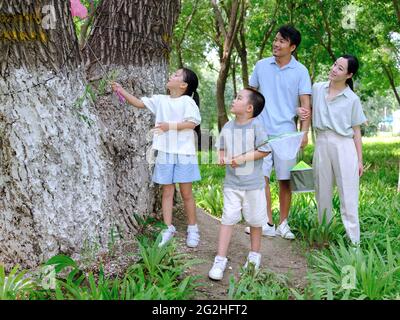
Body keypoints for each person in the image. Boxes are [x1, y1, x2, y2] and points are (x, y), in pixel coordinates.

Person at [111, 68, 202, 248]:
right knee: (167, 191)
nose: (171, 75)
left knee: (186, 193)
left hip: (184, 153)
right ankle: (168, 227)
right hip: (165, 152)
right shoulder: (161, 100)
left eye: (176, 75)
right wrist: (121, 90)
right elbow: (138, 103)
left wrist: (170, 126)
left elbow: (192, 123)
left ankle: (193, 228)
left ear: (183, 85)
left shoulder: (187, 101)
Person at [247, 25, 312, 239]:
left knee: (285, 180)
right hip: (262, 130)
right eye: (275, 39)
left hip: (286, 132)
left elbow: (305, 104)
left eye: (282, 41)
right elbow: (252, 94)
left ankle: (284, 223)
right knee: (261, 177)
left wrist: (304, 133)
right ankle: (267, 221)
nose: (276, 44)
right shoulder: (261, 66)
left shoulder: (300, 71)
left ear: (292, 47)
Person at [208, 88, 270, 281]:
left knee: (255, 221)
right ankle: (220, 259)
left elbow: (264, 150)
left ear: (249, 108)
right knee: (227, 219)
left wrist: (242, 158)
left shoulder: (257, 126)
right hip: (232, 184)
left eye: (239, 98)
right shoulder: (228, 126)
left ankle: (254, 256)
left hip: (253, 185)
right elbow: (222, 148)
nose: (234, 100)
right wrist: (222, 157)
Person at [311, 54, 366, 245]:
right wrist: (301, 112)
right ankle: (324, 238)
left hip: (344, 145)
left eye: (340, 68)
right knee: (322, 192)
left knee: (348, 194)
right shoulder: (317, 88)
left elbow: (356, 131)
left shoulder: (352, 99)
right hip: (321, 143)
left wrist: (359, 160)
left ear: (349, 75)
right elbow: (306, 109)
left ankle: (354, 244)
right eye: (335, 64)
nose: (334, 69)